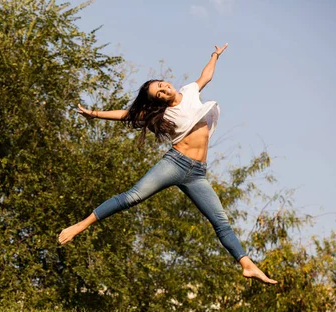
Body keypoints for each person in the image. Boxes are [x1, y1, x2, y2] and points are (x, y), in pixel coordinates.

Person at [58, 44, 277, 285]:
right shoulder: (163, 114)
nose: (163, 90)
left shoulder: (190, 91)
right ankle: (80, 225)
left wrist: (214, 55)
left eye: (161, 85)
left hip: (198, 174)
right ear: (157, 101)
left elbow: (205, 76)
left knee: (221, 222)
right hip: (175, 164)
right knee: (131, 197)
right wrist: (95, 114)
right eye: (158, 94)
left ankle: (247, 265)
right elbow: (127, 114)